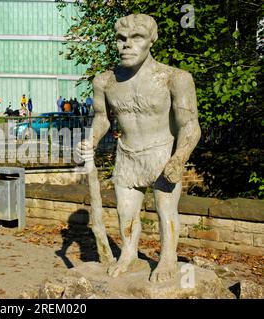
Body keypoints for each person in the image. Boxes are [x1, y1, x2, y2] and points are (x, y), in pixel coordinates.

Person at [77, 14, 201, 283]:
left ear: (151, 41)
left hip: (162, 152)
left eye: (136, 38)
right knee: (125, 211)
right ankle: (129, 255)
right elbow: (102, 118)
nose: (126, 45)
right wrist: (93, 139)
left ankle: (168, 258)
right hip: (128, 154)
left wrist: (180, 157)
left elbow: (190, 125)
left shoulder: (174, 78)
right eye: (121, 39)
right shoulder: (105, 82)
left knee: (165, 209)